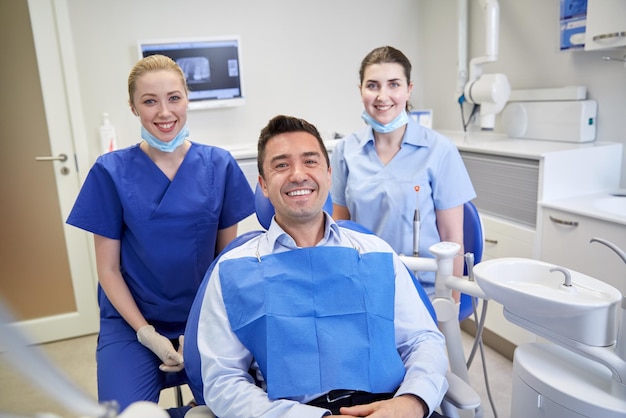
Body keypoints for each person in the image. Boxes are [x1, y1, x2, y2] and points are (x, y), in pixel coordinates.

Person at [194, 115, 449, 417]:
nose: (298, 174)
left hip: (390, 405)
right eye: (281, 165)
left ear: (328, 175)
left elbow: (422, 340)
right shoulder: (234, 270)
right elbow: (223, 380)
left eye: (310, 162)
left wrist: (412, 401)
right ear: (263, 184)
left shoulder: (376, 253)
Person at [66, 54, 255, 417]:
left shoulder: (219, 165)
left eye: (174, 98)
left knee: (232, 408)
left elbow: (224, 263)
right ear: (134, 107)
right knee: (125, 413)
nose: (164, 112)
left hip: (203, 317)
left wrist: (204, 324)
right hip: (132, 321)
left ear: (187, 99)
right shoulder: (110, 172)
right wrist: (146, 333)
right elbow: (108, 270)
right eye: (149, 101)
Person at [330, 46, 476, 297]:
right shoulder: (345, 151)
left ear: (409, 89)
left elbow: (452, 238)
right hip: (364, 283)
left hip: (426, 288)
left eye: (394, 84)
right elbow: (341, 228)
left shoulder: (439, 151)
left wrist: (449, 305)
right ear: (360, 90)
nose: (382, 95)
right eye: (373, 85)